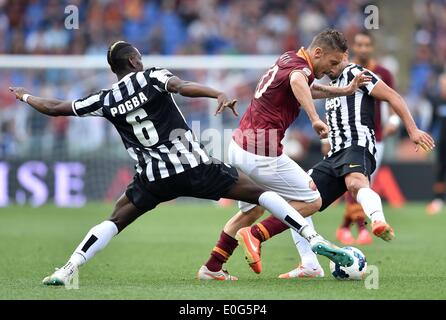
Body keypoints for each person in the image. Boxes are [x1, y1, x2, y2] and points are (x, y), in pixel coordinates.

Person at [9, 41, 354, 286]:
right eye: (139, 58)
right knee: (261, 195)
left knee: (114, 219)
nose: (141, 61)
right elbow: (181, 86)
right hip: (193, 167)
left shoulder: (104, 98)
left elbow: (55, 107)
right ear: (133, 62)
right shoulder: (153, 77)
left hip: (152, 178)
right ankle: (311, 235)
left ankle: (67, 268)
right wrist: (215, 93)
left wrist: (25, 96)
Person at [201, 53, 435, 280]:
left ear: (344, 55)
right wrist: (324, 133)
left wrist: (412, 129)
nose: (330, 69)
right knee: (303, 199)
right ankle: (306, 262)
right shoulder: (321, 79)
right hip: (326, 154)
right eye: (329, 64)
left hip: (356, 146)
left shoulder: (358, 73)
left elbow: (394, 97)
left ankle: (376, 220)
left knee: (351, 184)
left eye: (335, 62)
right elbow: (308, 90)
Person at [198, 29, 371, 280]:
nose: (332, 69)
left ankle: (212, 267)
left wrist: (344, 91)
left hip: (240, 146)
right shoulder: (301, 70)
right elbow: (298, 82)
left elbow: (307, 88)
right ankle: (257, 235)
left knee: (252, 210)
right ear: (318, 52)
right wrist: (314, 118)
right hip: (261, 152)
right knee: (312, 200)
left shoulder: (289, 58)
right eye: (332, 63)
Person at [336, 30, 399, 245]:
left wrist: (394, 121)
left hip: (376, 137)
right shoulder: (346, 71)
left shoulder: (383, 73)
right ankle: (361, 228)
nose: (363, 49)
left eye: (366, 45)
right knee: (360, 184)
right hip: (350, 137)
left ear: (372, 47)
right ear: (354, 47)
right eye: (359, 45)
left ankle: (346, 227)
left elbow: (392, 100)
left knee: (361, 184)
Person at [426, 73, 446, 215]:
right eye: (442, 85)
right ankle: (438, 200)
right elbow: (432, 122)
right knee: (440, 170)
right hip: (443, 144)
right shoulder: (437, 101)